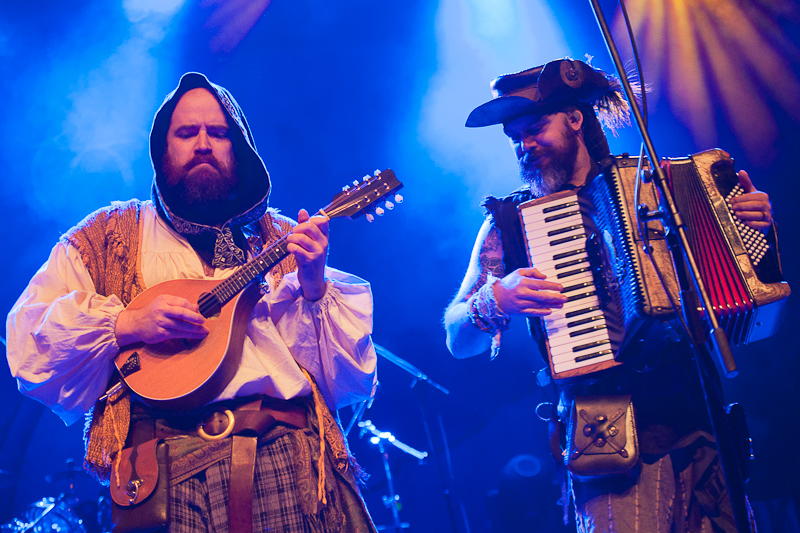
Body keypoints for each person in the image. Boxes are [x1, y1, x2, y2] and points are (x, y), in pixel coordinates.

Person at [6, 72, 378, 533]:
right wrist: (126, 323)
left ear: (240, 152)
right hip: (164, 478)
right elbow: (28, 343)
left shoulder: (284, 241)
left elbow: (348, 384)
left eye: (218, 133)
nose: (203, 143)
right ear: (161, 152)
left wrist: (314, 284)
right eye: (186, 133)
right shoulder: (107, 237)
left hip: (286, 464)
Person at [443, 58, 774, 532]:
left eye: (535, 129)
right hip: (609, 439)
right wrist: (496, 298)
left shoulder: (654, 184)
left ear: (575, 119)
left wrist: (749, 229)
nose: (524, 146)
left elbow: (741, 288)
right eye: (515, 138)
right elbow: (458, 338)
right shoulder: (511, 223)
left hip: (699, 423)